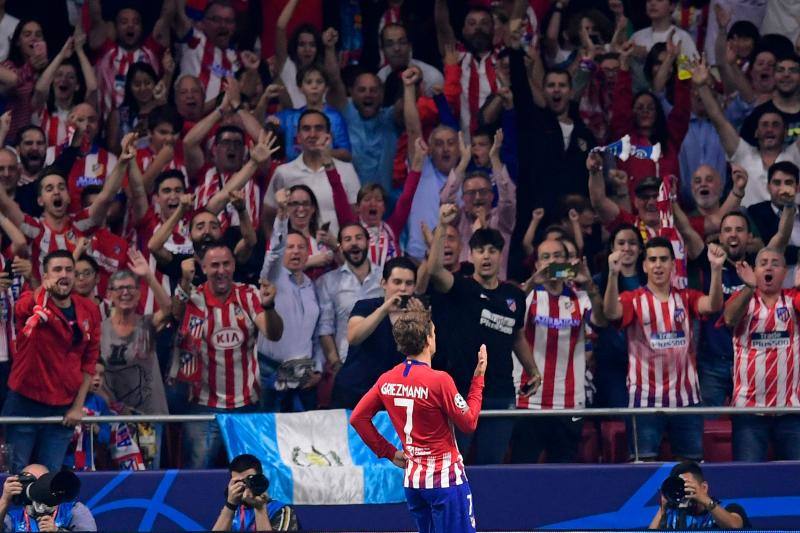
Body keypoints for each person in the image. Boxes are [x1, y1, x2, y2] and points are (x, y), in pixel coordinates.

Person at [350, 309, 487, 533]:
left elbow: (358, 418)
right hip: (444, 480)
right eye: (434, 332)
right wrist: (478, 378)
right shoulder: (439, 381)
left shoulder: (387, 380)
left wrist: (389, 452)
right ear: (428, 339)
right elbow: (469, 423)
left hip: (413, 483)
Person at [427, 204, 541, 464]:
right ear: (471, 255)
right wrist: (442, 226)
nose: (486, 256)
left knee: (492, 464)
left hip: (500, 392)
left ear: (501, 255)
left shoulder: (514, 295)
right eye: (480, 251)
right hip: (462, 392)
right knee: (454, 464)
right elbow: (434, 271)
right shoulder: (461, 288)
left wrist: (532, 370)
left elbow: (517, 335)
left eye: (492, 250)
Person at [604, 238, 727, 461]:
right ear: (644, 266)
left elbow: (713, 305)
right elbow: (611, 313)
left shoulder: (686, 297)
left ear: (673, 264)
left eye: (663, 259)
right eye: (652, 260)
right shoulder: (633, 299)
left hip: (687, 401)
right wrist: (613, 275)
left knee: (690, 468)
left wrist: (716, 270)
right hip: (645, 402)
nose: (658, 265)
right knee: (644, 466)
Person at [176, 243, 283, 468]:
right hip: (204, 405)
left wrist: (270, 307)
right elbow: (174, 315)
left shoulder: (249, 295)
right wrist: (184, 281)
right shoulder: (194, 298)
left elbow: (273, 334)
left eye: (226, 264)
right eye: (215, 265)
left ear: (234, 266)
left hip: (247, 404)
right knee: (197, 474)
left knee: (252, 473)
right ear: (203, 268)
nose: (221, 271)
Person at [2, 251, 101, 473]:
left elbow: (89, 361)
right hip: (24, 402)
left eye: (69, 270)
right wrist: (41, 291)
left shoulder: (90, 310)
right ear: (45, 276)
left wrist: (77, 406)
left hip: (63, 407)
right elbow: (21, 309)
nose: (63, 275)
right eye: (57, 270)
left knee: (51, 477)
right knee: (16, 475)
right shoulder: (32, 301)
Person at [511, 238, 606, 463]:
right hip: (529, 401)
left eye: (557, 256)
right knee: (522, 470)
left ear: (567, 262)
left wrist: (589, 285)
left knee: (564, 471)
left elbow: (601, 321)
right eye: (545, 257)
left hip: (570, 402)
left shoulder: (581, 298)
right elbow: (508, 314)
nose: (552, 262)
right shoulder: (528, 295)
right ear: (536, 264)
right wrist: (531, 283)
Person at [723, 247, 800, 461]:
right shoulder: (744, 300)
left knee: (795, 475)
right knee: (747, 475)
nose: (769, 267)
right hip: (748, 411)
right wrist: (749, 288)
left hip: (791, 411)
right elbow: (729, 318)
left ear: (785, 273)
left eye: (775, 264)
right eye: (763, 263)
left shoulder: (793, 300)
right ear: (754, 271)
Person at [258, 192, 322, 412]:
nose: (295, 251)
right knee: (269, 431)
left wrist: (318, 368)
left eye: (301, 247)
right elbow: (274, 252)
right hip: (270, 372)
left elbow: (316, 333)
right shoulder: (272, 277)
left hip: (304, 376)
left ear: (307, 253)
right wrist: (282, 217)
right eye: (290, 247)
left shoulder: (311, 286)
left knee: (304, 433)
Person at [330, 257, 418, 409]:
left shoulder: (417, 314)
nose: (403, 288)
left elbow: (422, 358)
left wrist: (418, 324)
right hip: (354, 395)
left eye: (408, 283)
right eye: (397, 282)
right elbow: (354, 337)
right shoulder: (365, 306)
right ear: (384, 283)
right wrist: (384, 310)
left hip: (391, 399)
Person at [315, 223, 383, 370]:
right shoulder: (327, 282)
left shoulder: (385, 277)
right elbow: (325, 328)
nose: (353, 243)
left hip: (382, 362)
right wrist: (336, 364)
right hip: (347, 363)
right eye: (347, 239)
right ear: (340, 247)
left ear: (368, 242)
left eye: (358, 238)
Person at [649, 461, 748, 529]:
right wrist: (662, 509)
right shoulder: (672, 514)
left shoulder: (728, 508)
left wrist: (705, 500)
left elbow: (735, 527)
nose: (684, 490)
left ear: (704, 487)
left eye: (687, 485)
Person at [213, 453, 299, 531]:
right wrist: (230, 505)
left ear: (260, 479)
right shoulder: (232, 512)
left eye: (249, 480)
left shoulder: (280, 510)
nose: (245, 486)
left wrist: (260, 508)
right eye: (239, 482)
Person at [0, 463, 97, 531]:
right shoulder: (14, 517)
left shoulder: (73, 510)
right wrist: (4, 499)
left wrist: (58, 531)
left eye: (43, 482)